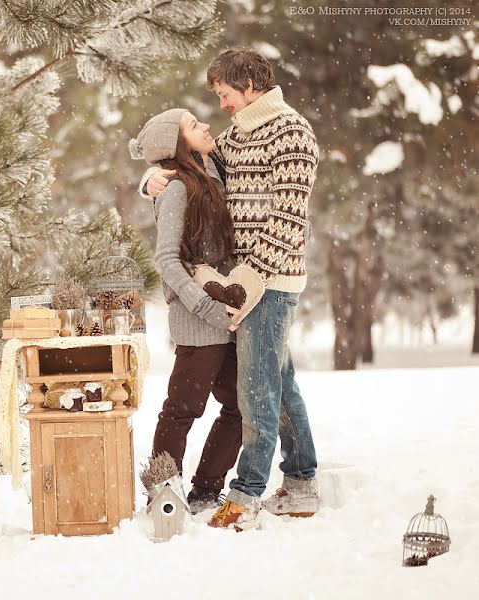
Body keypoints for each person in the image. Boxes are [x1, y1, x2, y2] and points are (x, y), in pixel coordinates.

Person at [141, 48, 321, 531]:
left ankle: (245, 493)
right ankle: (302, 478)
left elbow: (285, 221)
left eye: (224, 94)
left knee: (256, 390)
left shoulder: (292, 133)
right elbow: (185, 162)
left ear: (249, 86)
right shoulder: (237, 134)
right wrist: (151, 178)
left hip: (269, 283)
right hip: (234, 287)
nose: (220, 106)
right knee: (277, 383)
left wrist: (241, 288)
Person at [132, 108, 243, 514]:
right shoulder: (177, 189)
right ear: (178, 144)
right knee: (181, 411)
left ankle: (205, 490)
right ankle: (163, 495)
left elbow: (138, 146)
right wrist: (208, 308)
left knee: (239, 406)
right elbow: (166, 261)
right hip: (200, 325)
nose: (206, 126)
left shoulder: (213, 171)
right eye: (194, 126)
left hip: (230, 317)